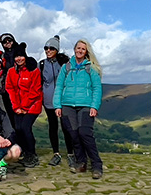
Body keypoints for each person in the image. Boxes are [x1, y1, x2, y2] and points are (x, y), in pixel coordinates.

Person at [55, 39, 103, 179]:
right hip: (67, 105)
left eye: (83, 49)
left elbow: (97, 88)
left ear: (86, 51)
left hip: (85, 105)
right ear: (74, 49)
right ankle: (81, 163)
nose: (80, 50)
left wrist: (94, 106)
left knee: (85, 134)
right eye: (78, 48)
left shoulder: (91, 68)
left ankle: (97, 165)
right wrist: (58, 105)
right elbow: (59, 87)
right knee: (74, 135)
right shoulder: (66, 67)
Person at [5, 43, 43, 168]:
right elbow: (10, 89)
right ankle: (25, 153)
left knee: (26, 128)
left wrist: (25, 107)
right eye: (16, 56)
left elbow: (35, 91)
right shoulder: (11, 71)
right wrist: (16, 107)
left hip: (33, 105)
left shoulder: (34, 70)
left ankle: (32, 155)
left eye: (21, 56)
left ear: (25, 56)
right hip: (18, 107)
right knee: (18, 129)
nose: (19, 59)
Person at [39, 35, 72, 166]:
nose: (48, 51)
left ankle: (71, 154)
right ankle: (56, 154)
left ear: (56, 50)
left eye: (51, 48)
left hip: (63, 100)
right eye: (46, 48)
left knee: (66, 127)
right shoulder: (41, 64)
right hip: (48, 101)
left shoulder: (64, 63)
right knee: (53, 127)